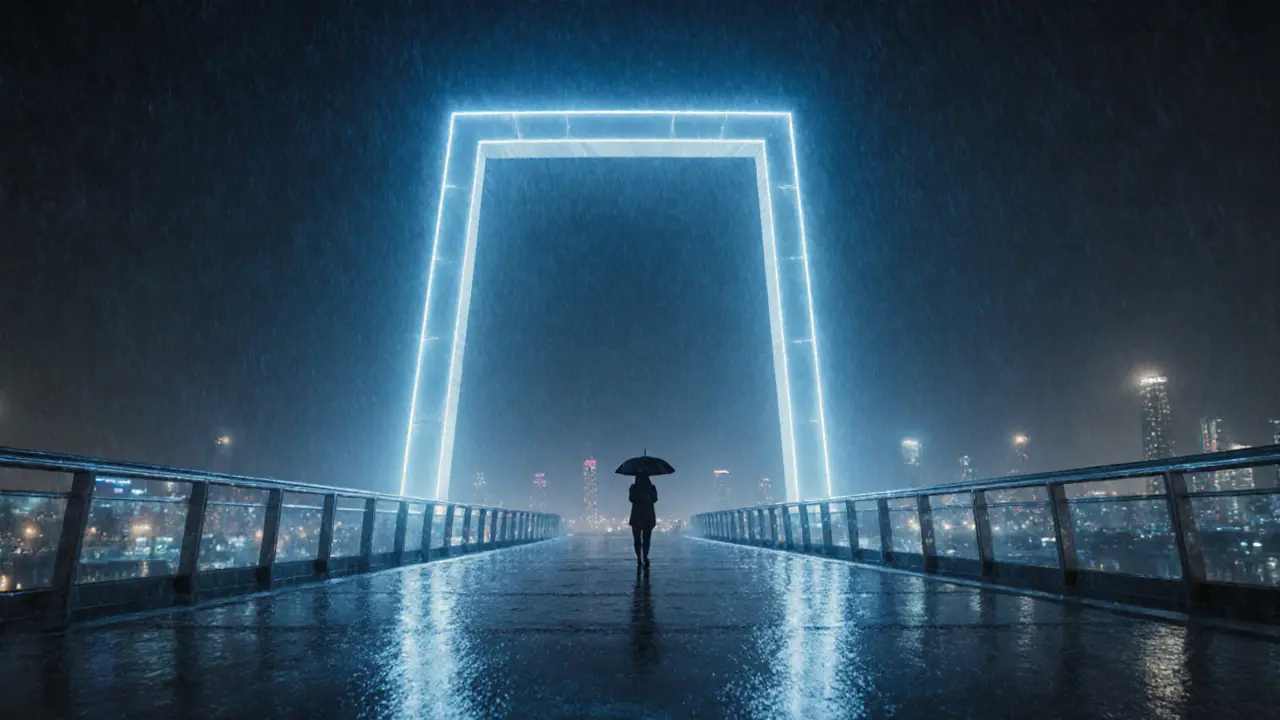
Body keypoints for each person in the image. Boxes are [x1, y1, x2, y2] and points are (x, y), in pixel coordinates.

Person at [628, 473, 658, 566]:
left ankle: (638, 558)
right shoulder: (651, 487)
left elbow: (631, 499)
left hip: (636, 515)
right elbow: (655, 499)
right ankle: (645, 557)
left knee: (637, 539)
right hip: (648, 515)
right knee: (646, 539)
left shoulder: (633, 487)